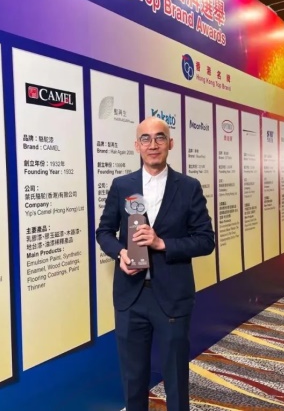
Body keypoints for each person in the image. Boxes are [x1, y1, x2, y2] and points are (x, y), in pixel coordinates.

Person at [96, 116, 215, 411]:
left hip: (172, 296)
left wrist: (163, 244)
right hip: (131, 296)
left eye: (160, 137)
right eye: (145, 139)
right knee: (133, 377)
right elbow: (104, 232)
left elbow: (205, 240)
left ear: (170, 143)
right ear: (136, 145)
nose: (153, 145)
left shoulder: (188, 187)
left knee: (175, 376)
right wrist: (121, 253)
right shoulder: (123, 186)